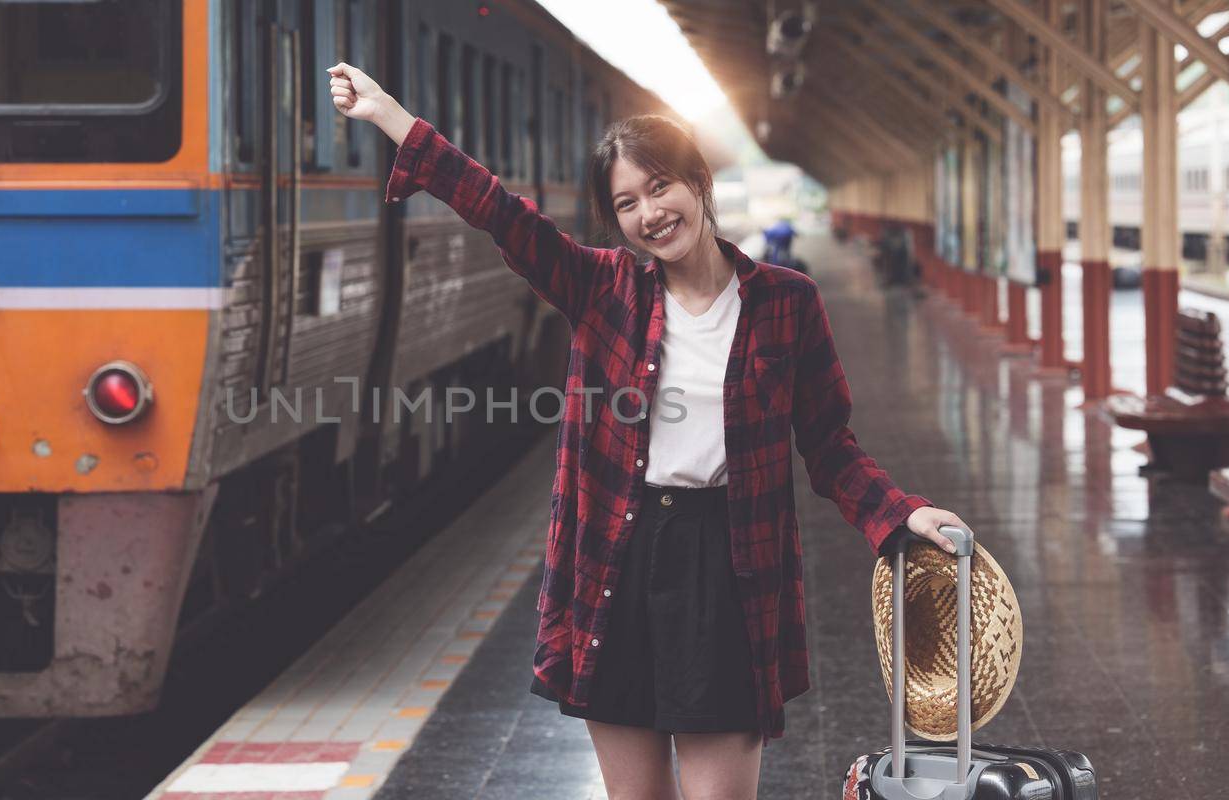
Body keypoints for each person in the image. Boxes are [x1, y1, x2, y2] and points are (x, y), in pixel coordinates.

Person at [328, 62, 969, 800]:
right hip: (615, 561)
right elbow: (500, 211)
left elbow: (828, 445)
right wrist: (391, 118)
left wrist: (900, 513)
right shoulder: (602, 289)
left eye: (660, 186)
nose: (649, 213)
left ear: (699, 183)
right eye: (627, 202)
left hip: (728, 567)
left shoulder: (787, 304)